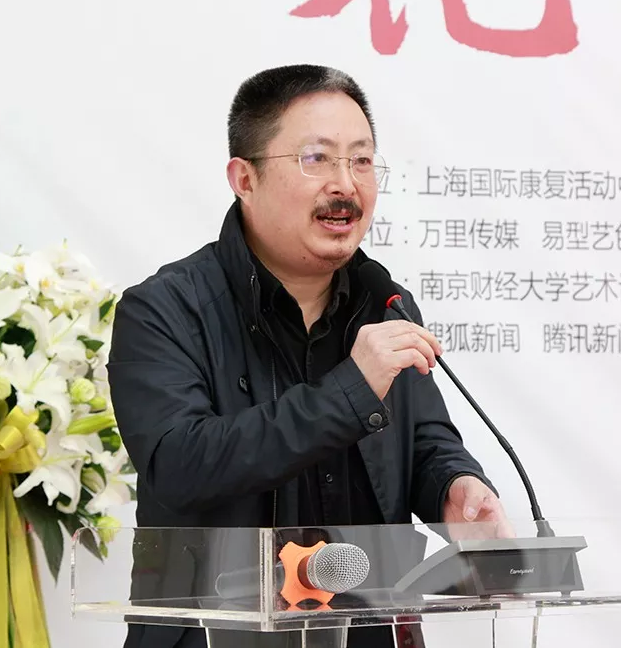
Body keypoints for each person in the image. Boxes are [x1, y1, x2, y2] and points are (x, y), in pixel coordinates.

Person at [107, 64, 511, 648]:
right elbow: (180, 465)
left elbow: (423, 440)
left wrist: (454, 485)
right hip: (218, 637)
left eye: (362, 160)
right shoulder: (164, 310)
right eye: (316, 158)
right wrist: (351, 389)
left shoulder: (385, 302)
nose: (345, 184)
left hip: (369, 633)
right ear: (244, 178)